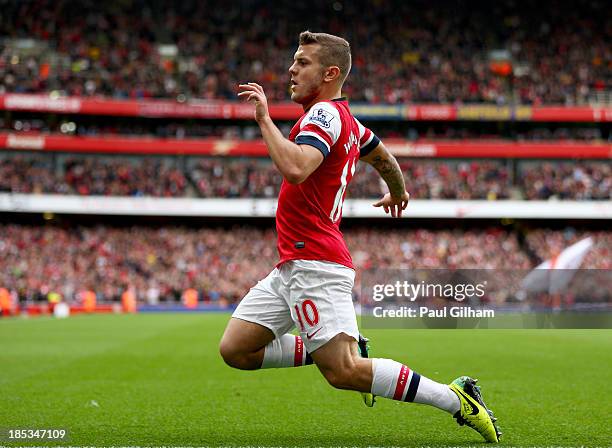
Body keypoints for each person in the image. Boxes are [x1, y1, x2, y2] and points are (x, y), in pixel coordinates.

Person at [220, 31, 501, 443]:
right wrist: (399, 191)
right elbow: (382, 156)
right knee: (237, 349)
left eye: (302, 63)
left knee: (345, 373)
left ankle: (457, 399)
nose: (291, 70)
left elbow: (297, 168)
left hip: (316, 262)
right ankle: (341, 343)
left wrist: (264, 119)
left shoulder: (323, 116)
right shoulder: (349, 123)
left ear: (330, 73)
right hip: (293, 264)